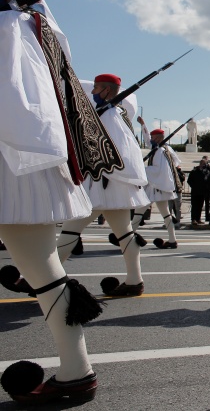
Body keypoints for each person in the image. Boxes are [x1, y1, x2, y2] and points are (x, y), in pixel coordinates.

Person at [0, 0, 103, 403]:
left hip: (16, 163)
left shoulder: (15, 27)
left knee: (44, 273)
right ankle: (77, 369)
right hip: (21, 161)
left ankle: (78, 371)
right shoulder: (29, 26)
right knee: (44, 272)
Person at [53, 74, 150, 297]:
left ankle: (46, 279)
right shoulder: (113, 113)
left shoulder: (109, 116)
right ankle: (135, 281)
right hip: (113, 188)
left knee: (70, 230)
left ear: (106, 91)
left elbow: (113, 154)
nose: (92, 92)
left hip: (103, 185)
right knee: (125, 235)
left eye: (96, 88)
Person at [132, 118, 182, 248]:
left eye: (153, 137)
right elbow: (176, 162)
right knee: (166, 215)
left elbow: (157, 170)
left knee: (139, 211)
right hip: (161, 188)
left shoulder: (159, 151)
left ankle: (126, 237)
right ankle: (172, 240)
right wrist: (143, 125)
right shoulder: (167, 149)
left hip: (155, 187)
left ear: (158, 138)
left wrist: (141, 169)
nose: (151, 140)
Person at [187, 158, 210, 226]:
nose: (204, 165)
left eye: (205, 163)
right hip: (195, 192)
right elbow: (189, 181)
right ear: (200, 164)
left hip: (202, 192)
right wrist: (194, 187)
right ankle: (193, 219)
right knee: (194, 206)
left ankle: (198, 218)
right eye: (203, 163)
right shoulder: (194, 171)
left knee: (200, 206)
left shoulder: (206, 172)